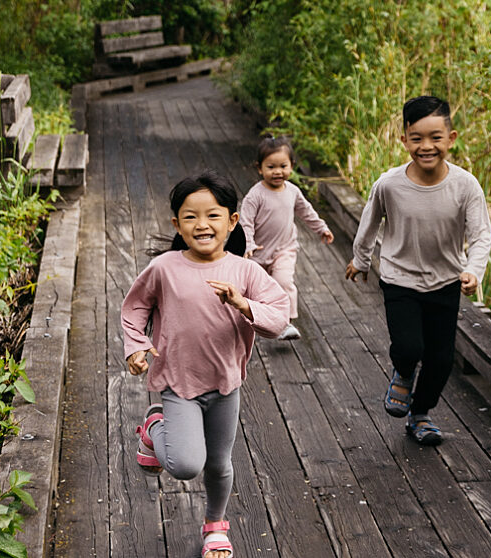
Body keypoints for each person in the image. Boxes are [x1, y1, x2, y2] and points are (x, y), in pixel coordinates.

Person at [122, 170, 289, 558]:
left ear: (232, 221)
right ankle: (155, 425)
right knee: (184, 465)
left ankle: (215, 525)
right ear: (176, 223)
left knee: (218, 463)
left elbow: (279, 318)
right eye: (190, 216)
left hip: (226, 384)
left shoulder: (245, 271)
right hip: (178, 383)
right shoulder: (165, 267)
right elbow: (134, 308)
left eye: (213, 215)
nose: (202, 225)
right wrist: (136, 346)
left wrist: (242, 303)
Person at [345, 95, 491, 446]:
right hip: (400, 278)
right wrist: (361, 259)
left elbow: (480, 233)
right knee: (410, 347)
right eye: (417, 138)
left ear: (451, 138)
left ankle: (420, 413)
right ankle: (404, 370)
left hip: (445, 281)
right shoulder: (390, 184)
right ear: (403, 140)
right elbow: (369, 223)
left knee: (441, 360)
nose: (426, 146)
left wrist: (474, 270)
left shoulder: (465, 185)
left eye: (435, 137)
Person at [239, 137, 334, 341]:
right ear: (259, 168)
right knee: (254, 289)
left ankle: (285, 322)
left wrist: (321, 228)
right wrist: (248, 244)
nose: (277, 171)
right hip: (258, 251)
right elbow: (245, 222)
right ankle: (253, 319)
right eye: (271, 167)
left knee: (283, 281)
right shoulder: (255, 195)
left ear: (291, 166)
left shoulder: (292, 191)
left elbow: (306, 211)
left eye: (283, 166)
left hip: (285, 248)